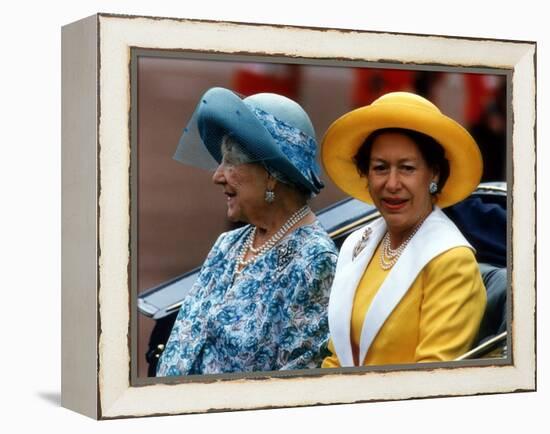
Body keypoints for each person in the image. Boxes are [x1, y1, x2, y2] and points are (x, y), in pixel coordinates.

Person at [156, 87, 338, 376]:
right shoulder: (228, 243)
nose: (217, 176)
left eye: (231, 162)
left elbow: (296, 382)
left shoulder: (315, 261)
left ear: (271, 174)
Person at [320, 91, 487, 367]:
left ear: (433, 174)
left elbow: (431, 378)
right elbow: (337, 358)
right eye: (380, 168)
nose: (392, 183)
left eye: (407, 168)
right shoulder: (356, 244)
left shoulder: (451, 261)